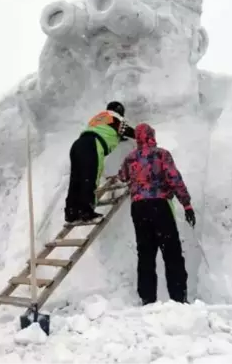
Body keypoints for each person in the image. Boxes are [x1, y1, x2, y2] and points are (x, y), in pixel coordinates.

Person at [118, 123, 195, 305]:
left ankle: (147, 298)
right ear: (152, 135)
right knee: (171, 252)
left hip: (138, 208)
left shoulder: (130, 158)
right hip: (159, 205)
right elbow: (174, 178)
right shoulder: (161, 154)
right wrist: (187, 204)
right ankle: (178, 297)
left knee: (145, 253)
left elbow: (122, 176)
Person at [64, 100, 135, 225]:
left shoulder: (98, 118)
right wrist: (140, 135)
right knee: (90, 178)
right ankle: (87, 212)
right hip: (93, 145)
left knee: (76, 179)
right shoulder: (115, 117)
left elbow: (110, 130)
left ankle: (71, 213)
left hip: (78, 145)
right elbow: (125, 130)